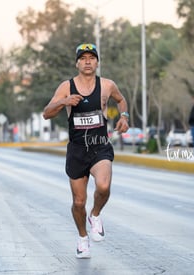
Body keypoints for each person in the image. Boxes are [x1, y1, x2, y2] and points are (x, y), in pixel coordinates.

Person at [42, 43, 129, 259]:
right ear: (77, 63)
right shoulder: (66, 87)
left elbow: (121, 100)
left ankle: (96, 214)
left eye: (92, 57)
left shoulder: (107, 85)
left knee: (103, 185)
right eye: (83, 58)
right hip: (77, 150)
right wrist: (64, 101)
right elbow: (46, 113)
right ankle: (82, 238)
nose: (88, 61)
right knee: (78, 202)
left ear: (97, 62)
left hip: (100, 145)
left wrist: (124, 117)